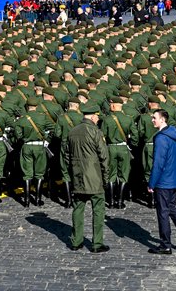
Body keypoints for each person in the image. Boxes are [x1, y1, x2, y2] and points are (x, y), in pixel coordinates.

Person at [146, 108, 176, 255]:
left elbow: (158, 163)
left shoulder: (161, 138)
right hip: (174, 178)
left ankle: (165, 244)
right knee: (172, 208)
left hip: (163, 181)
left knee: (163, 212)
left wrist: (152, 183)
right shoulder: (175, 134)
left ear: (162, 119)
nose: (152, 120)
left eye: (154, 118)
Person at [62, 102, 108, 253]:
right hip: (94, 176)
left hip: (78, 176)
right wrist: (105, 177)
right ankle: (97, 243)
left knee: (78, 208)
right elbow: (104, 156)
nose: (98, 119)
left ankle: (76, 241)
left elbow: (66, 155)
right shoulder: (95, 132)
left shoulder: (72, 131)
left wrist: (72, 172)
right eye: (97, 117)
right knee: (98, 209)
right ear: (93, 116)